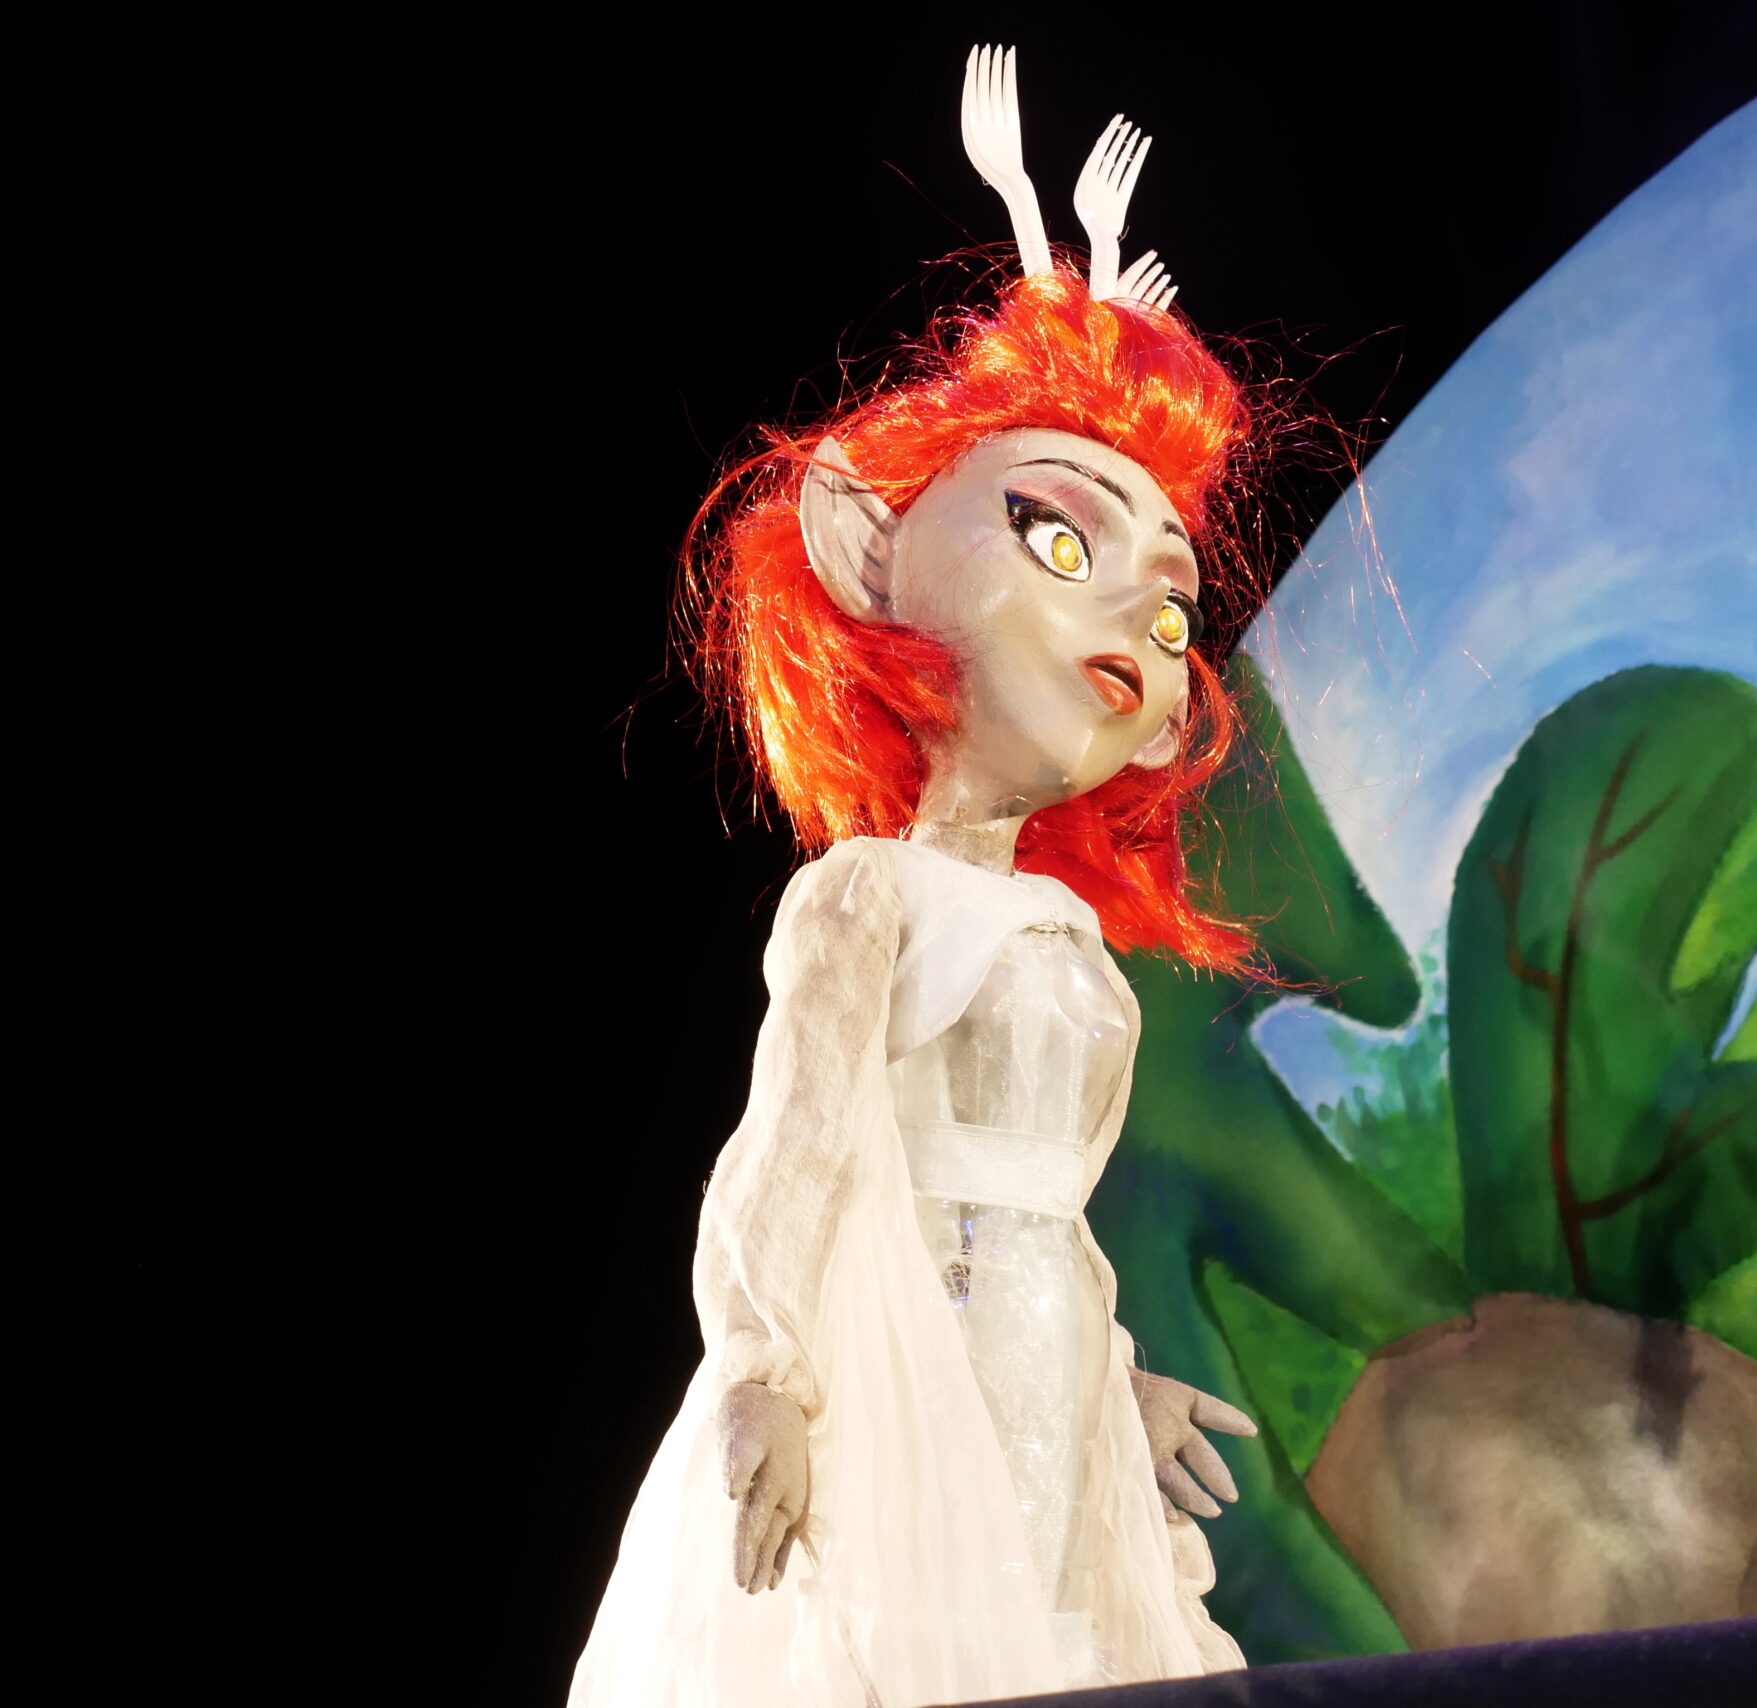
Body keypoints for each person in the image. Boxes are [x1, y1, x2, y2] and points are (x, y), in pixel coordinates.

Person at [569, 47, 1272, 1708]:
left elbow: (1052, 1219)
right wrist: (764, 1364)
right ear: (866, 549)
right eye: (1060, 540)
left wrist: (1114, 1389)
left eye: (1170, 605)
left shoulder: (1064, 931)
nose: (1138, 623)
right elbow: (796, 1145)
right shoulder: (867, 895)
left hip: (1045, 1407)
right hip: (905, 1387)